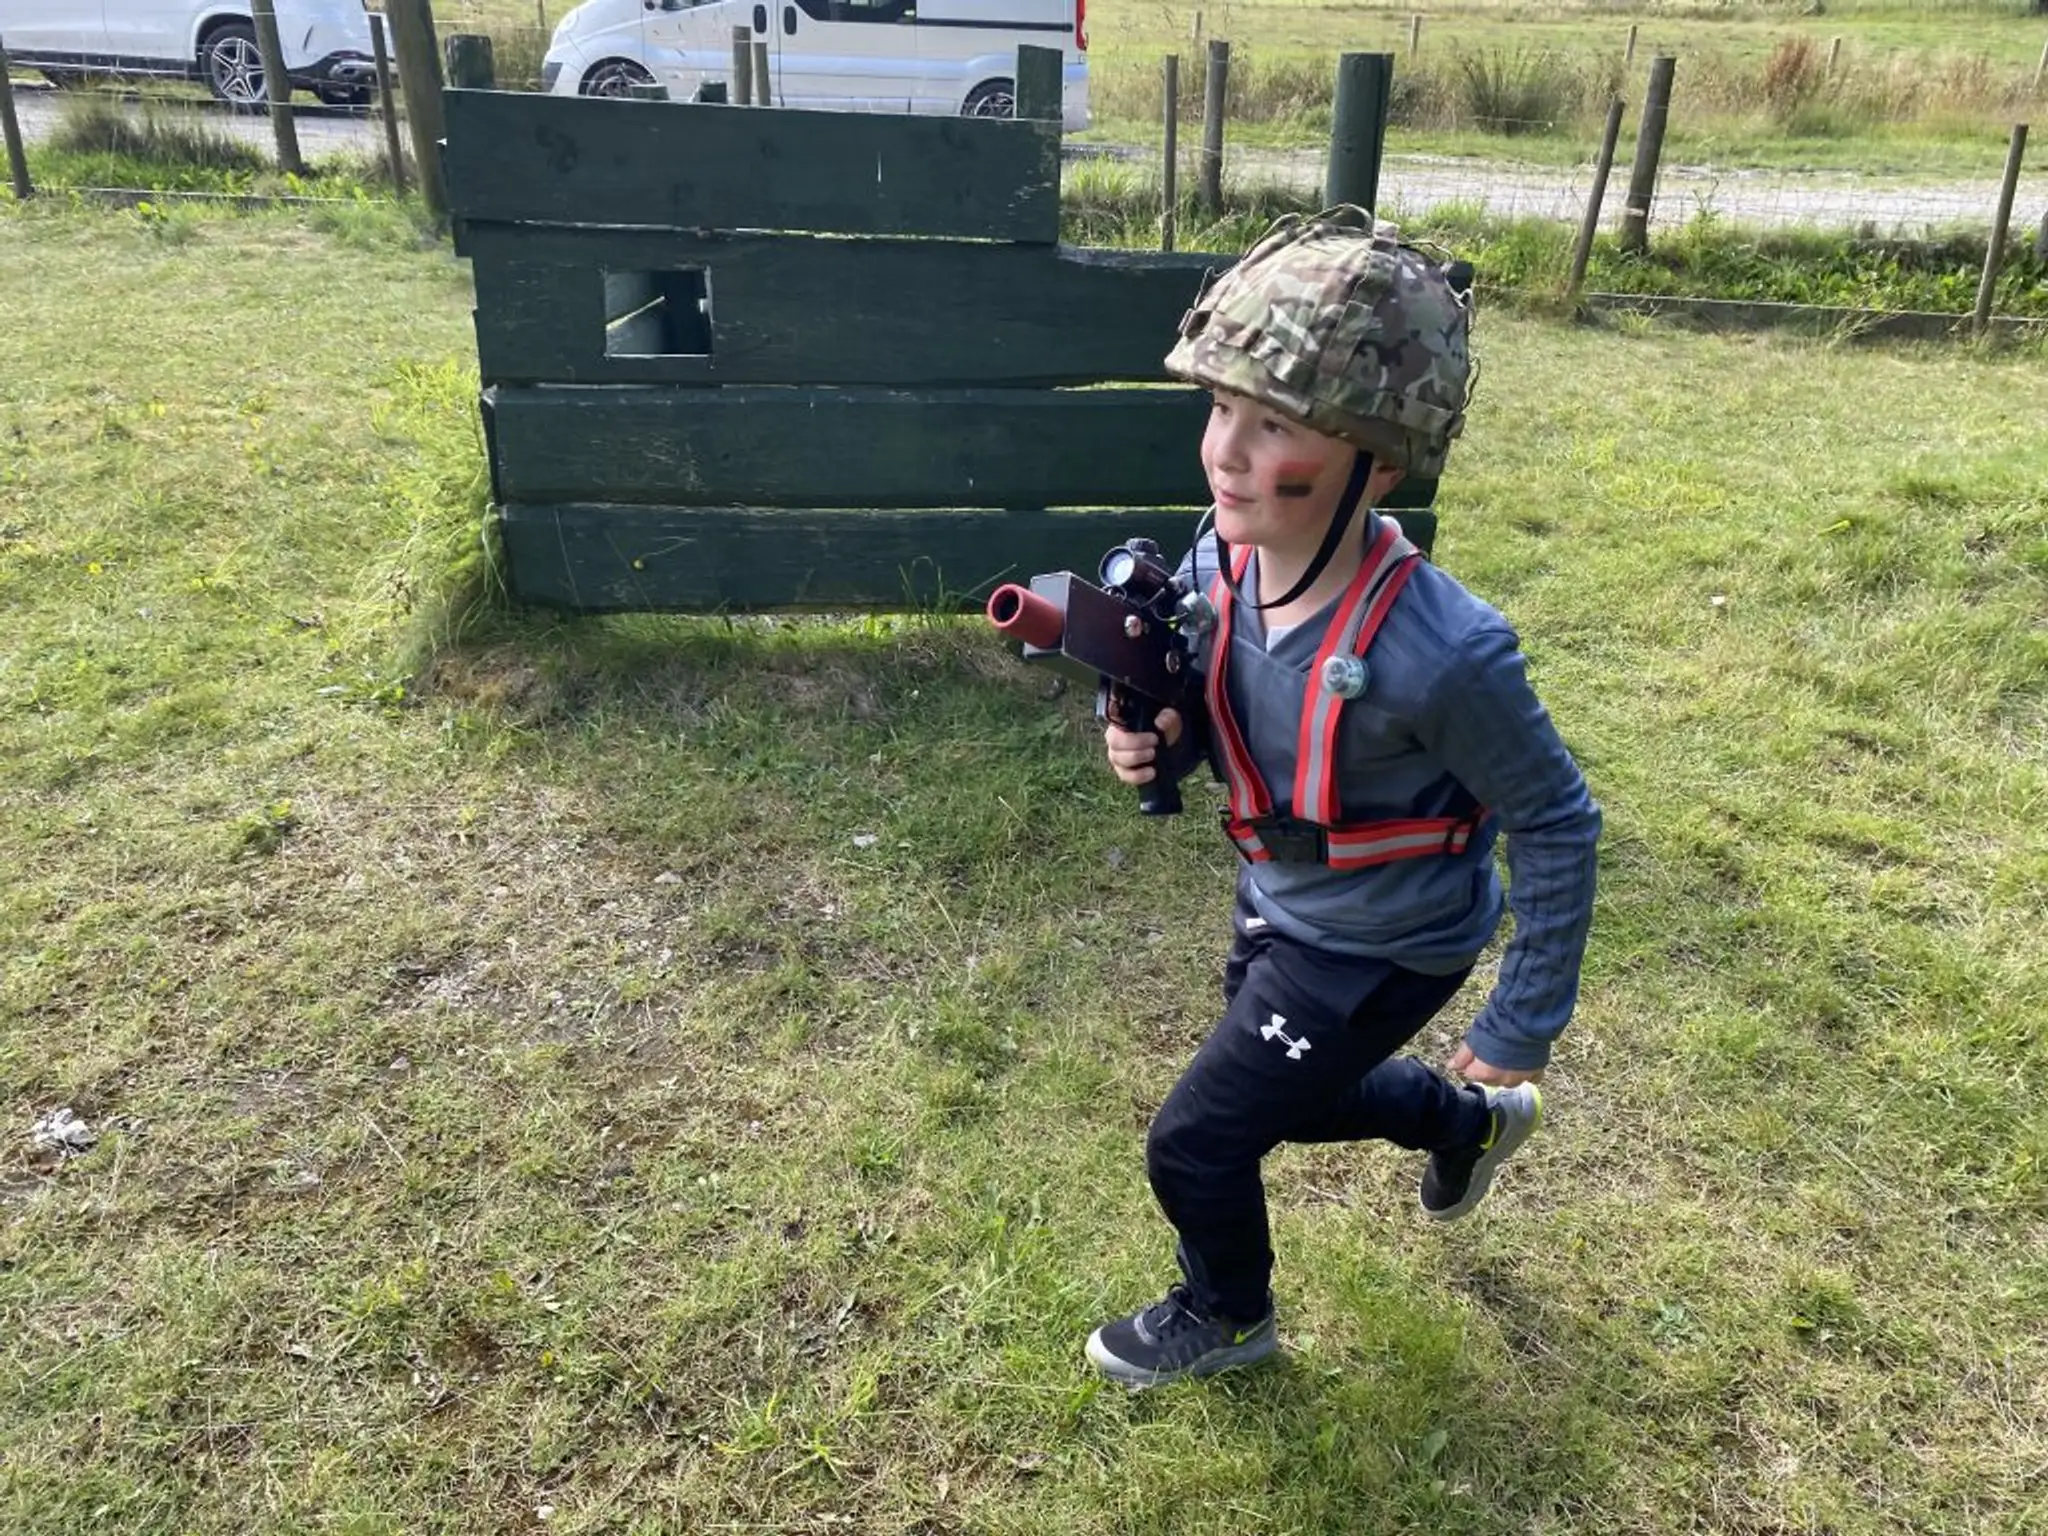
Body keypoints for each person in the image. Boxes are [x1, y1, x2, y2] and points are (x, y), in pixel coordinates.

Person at [1083, 207, 1603, 1389]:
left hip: (1382, 944)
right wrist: (1157, 739)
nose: (1224, 449)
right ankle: (1461, 1132)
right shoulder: (1217, 566)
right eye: (1218, 407)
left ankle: (1226, 1318)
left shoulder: (1448, 653)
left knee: (1197, 1141)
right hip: (1281, 903)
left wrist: (1516, 1028)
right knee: (1297, 1102)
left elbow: (1559, 824)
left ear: (1374, 455)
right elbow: (1235, 718)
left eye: (1272, 426)